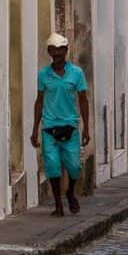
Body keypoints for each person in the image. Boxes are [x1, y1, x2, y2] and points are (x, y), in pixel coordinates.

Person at [31, 33, 91, 217]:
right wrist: (35, 129)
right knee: (52, 165)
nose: (57, 53)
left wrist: (86, 127)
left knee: (74, 166)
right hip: (49, 127)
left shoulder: (77, 74)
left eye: (60, 50)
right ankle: (58, 204)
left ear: (66, 51)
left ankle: (70, 192)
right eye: (53, 50)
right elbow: (39, 101)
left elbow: (83, 100)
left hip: (70, 126)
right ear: (49, 52)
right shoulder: (43, 74)